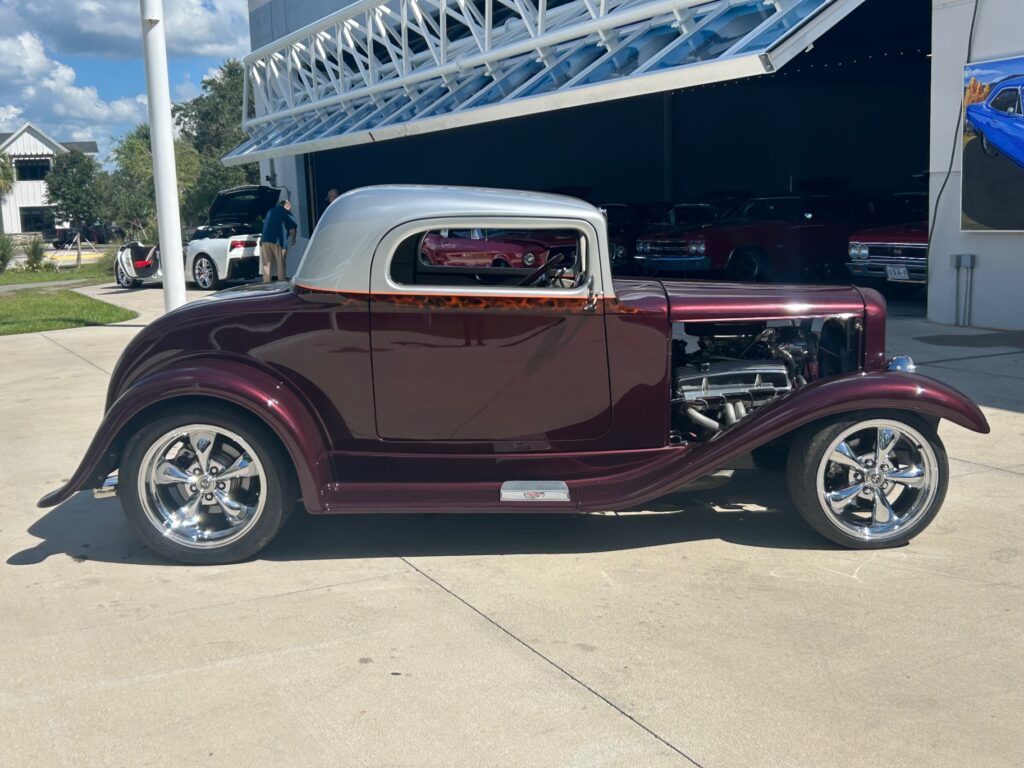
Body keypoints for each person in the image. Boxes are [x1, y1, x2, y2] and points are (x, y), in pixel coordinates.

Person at [260, 199, 297, 282]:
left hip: (265, 240)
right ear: (287, 206)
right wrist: (293, 239)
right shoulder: (285, 212)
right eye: (290, 208)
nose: (290, 210)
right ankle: (281, 284)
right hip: (278, 241)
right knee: (281, 264)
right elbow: (293, 229)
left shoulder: (270, 211)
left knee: (266, 264)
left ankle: (266, 284)